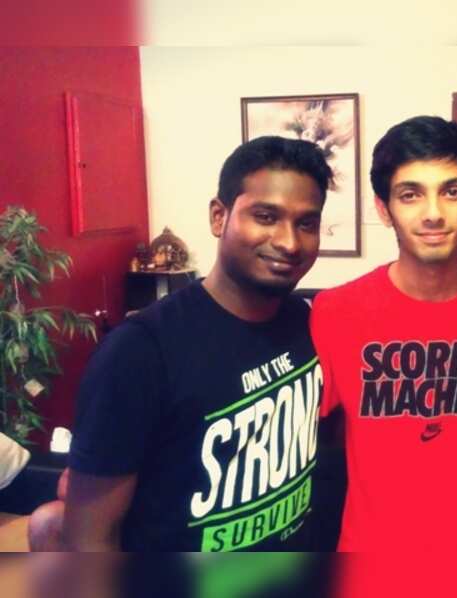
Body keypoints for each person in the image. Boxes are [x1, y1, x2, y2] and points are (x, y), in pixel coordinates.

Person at [50, 135, 332, 551]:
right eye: (265, 216)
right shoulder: (139, 351)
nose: (289, 242)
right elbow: (88, 539)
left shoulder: (305, 323)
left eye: (306, 224)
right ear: (219, 217)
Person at [310, 115, 457, 553]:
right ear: (383, 209)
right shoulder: (335, 312)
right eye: (410, 194)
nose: (433, 213)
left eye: (451, 191)